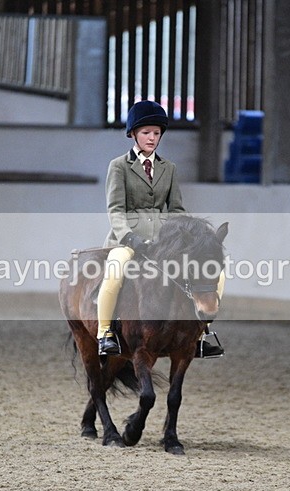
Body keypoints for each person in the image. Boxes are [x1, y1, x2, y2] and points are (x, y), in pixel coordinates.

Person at [96, 100, 224, 358]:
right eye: (146, 133)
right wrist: (129, 237)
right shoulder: (118, 166)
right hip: (127, 240)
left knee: (213, 273)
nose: (152, 138)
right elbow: (115, 210)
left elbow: (176, 209)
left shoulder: (169, 168)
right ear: (133, 133)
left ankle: (200, 334)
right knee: (114, 272)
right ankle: (105, 333)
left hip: (164, 243)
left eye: (156, 133)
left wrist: (188, 234)